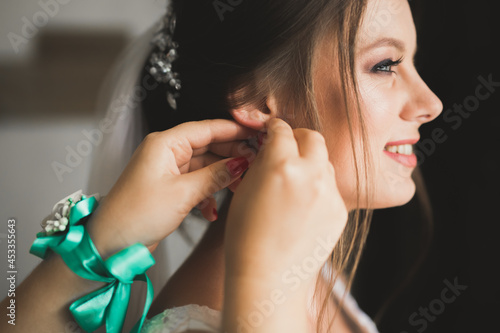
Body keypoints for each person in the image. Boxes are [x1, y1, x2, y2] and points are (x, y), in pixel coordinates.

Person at [0, 0, 443, 332]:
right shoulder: (199, 322)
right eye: (385, 65)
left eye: (413, 62)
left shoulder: (316, 271)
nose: (431, 104)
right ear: (255, 98)